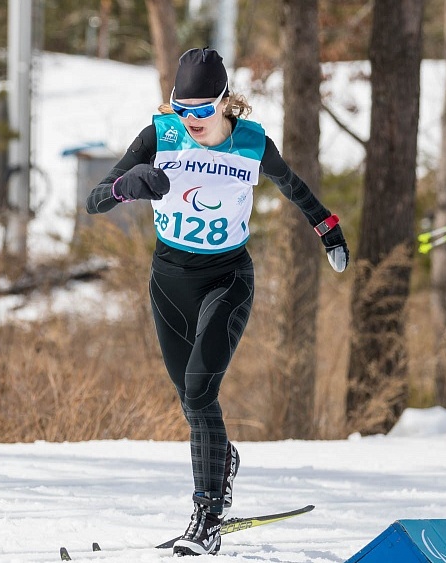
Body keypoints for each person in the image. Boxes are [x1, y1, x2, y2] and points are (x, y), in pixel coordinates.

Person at [86, 47, 348, 556]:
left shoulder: (252, 142)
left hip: (227, 278)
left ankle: (206, 515)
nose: (192, 121)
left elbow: (293, 187)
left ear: (226, 103)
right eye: (182, 110)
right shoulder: (158, 137)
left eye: (203, 110)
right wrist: (125, 185)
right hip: (169, 281)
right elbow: (94, 199)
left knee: (201, 392)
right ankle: (220, 460)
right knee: (190, 400)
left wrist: (328, 229)